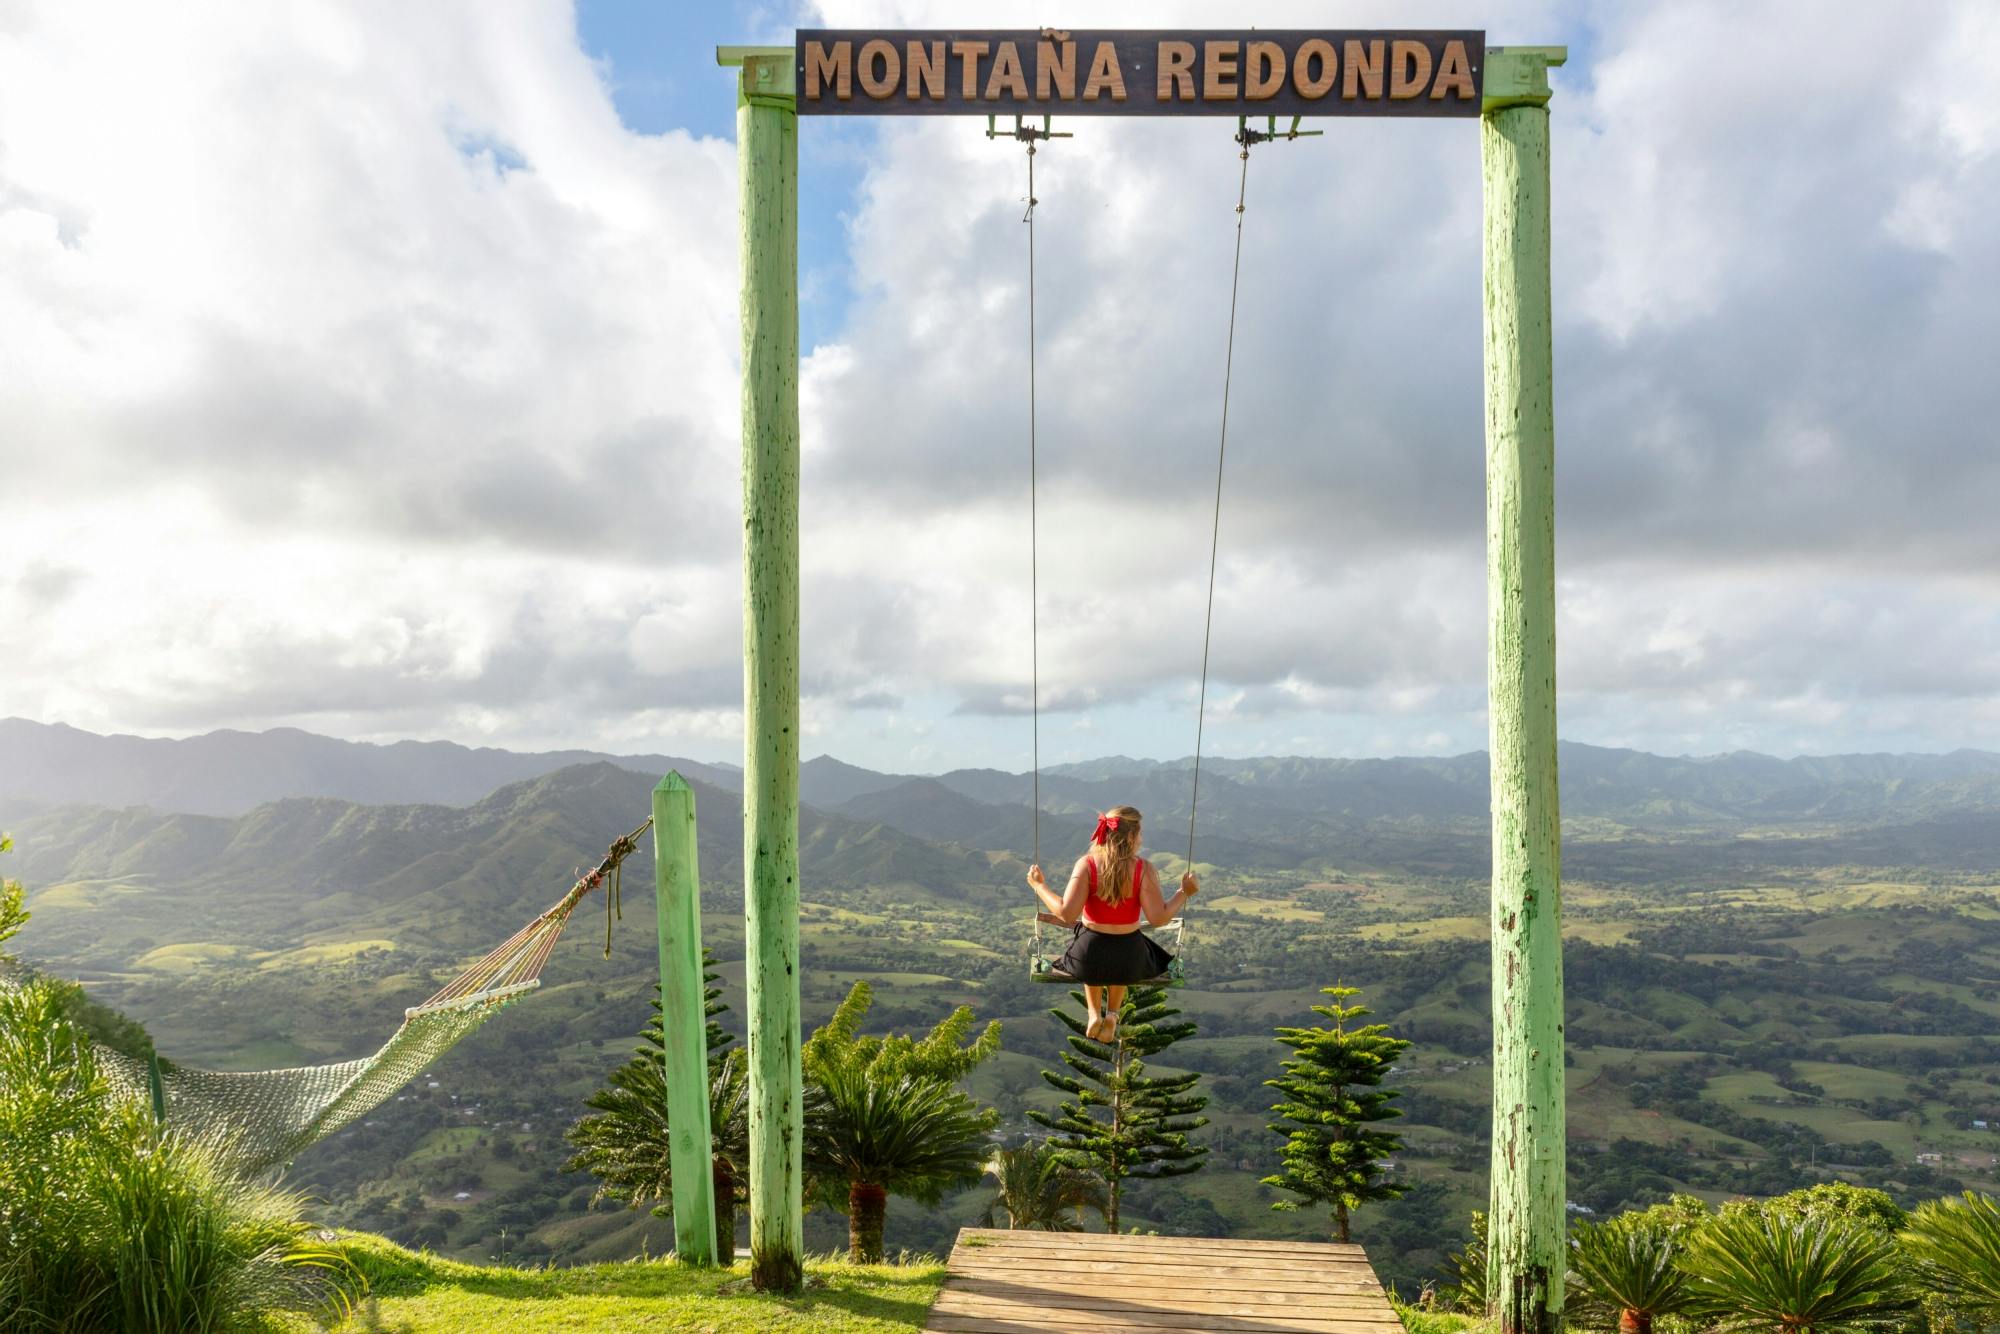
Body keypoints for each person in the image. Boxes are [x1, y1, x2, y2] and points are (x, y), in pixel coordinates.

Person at [1026, 805, 1199, 1042]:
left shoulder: (1086, 865)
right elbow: (1158, 918)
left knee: (1088, 942)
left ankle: (1094, 1014)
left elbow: (1066, 913)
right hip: (1131, 959)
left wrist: (1039, 886)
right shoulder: (1143, 869)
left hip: (1088, 957)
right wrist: (1183, 892)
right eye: (1139, 833)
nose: (1141, 838)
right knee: (1121, 957)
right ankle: (1112, 1016)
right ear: (1130, 836)